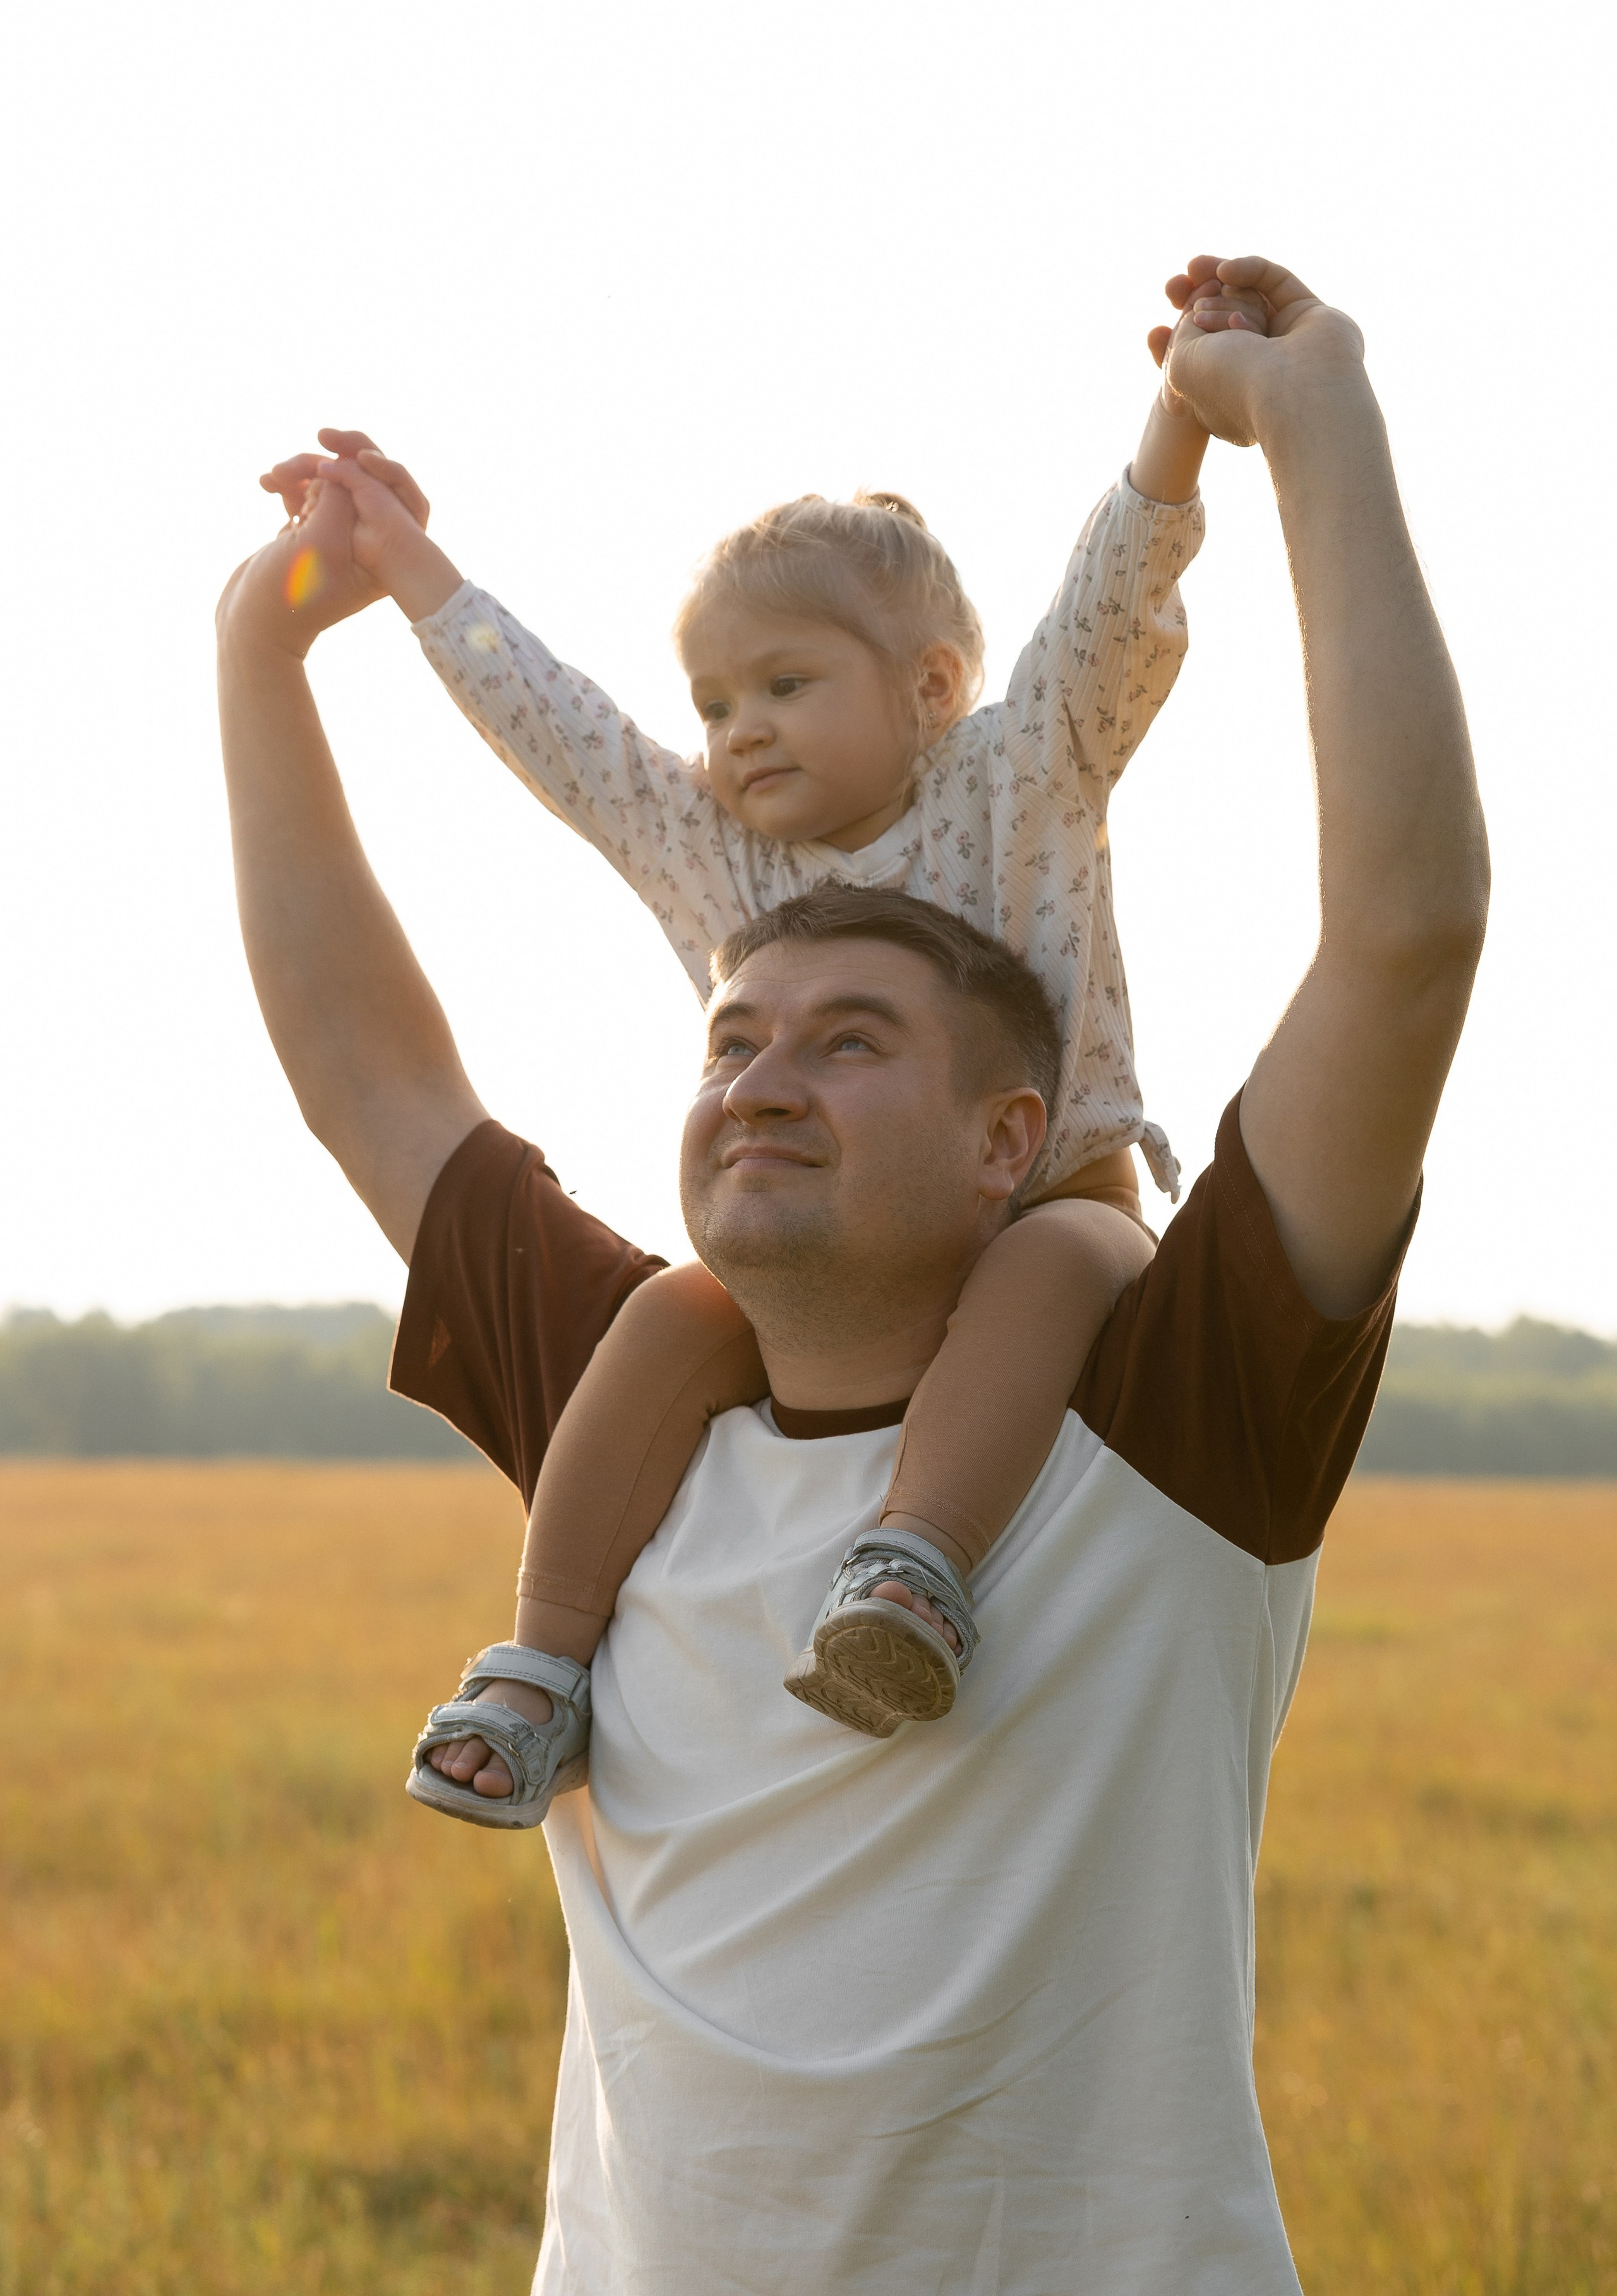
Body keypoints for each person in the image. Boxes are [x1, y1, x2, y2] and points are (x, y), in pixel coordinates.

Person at [217, 253, 1488, 2291]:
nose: (759, 1075)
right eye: (731, 1037)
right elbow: (361, 1059)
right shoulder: (632, 1401)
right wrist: (263, 651)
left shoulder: (1171, 1413)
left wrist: (1301, 417)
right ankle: (529, 1672)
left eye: (852, 1040)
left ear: (1005, 1128)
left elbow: (1406, 935)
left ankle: (916, 1570)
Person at [255, 260, 1269, 1754]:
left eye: (786, 685)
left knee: (1047, 1270)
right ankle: (540, 1664)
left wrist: (1177, 412)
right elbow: (561, 729)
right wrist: (411, 564)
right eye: (715, 702)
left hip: (1050, 1193)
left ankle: (909, 1571)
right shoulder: (713, 851)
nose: (739, 732)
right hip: (819, 1253)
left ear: (931, 686)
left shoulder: (1020, 771)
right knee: (668, 1317)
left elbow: (1111, 603)